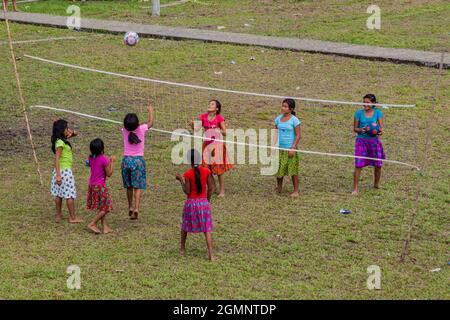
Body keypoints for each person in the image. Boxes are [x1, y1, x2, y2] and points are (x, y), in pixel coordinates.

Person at [176, 149, 217, 261]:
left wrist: (181, 180)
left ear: (189, 160)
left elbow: (187, 191)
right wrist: (207, 200)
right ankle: (211, 254)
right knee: (207, 229)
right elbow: (212, 188)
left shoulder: (187, 173)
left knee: (185, 226)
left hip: (191, 204)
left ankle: (182, 249)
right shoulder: (206, 171)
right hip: (203, 203)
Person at [121, 105, 154, 219]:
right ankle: (136, 208)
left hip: (126, 161)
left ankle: (130, 206)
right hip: (138, 161)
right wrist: (150, 111)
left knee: (129, 186)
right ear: (138, 124)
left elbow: (128, 126)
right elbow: (150, 123)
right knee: (137, 187)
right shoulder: (142, 129)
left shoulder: (124, 130)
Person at [195, 99, 233, 197]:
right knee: (206, 168)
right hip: (206, 146)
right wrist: (192, 125)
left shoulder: (219, 118)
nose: (209, 105)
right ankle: (214, 187)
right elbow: (197, 128)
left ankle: (222, 191)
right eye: (209, 103)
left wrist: (218, 130)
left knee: (219, 170)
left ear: (216, 109)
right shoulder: (203, 117)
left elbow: (225, 132)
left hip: (217, 146)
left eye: (212, 104)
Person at [352, 94, 385, 194]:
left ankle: (376, 184)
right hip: (361, 141)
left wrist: (379, 131)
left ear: (373, 103)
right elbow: (355, 129)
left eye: (367, 103)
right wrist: (361, 130)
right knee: (358, 165)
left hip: (374, 142)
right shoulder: (358, 113)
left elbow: (382, 129)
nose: (365, 104)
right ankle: (355, 188)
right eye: (364, 102)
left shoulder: (378, 113)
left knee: (378, 165)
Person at [50, 119, 82, 223]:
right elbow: (57, 158)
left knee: (59, 194)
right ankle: (73, 217)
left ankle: (58, 216)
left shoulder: (60, 140)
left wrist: (72, 133)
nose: (68, 129)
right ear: (62, 130)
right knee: (70, 195)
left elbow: (74, 134)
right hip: (65, 172)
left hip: (59, 171)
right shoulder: (60, 143)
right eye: (66, 128)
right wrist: (58, 175)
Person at [86, 138, 115, 234]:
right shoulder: (104, 159)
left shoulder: (90, 158)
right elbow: (109, 174)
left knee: (101, 206)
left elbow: (89, 163)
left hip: (92, 185)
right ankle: (93, 223)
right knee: (106, 207)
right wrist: (112, 162)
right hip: (100, 187)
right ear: (102, 148)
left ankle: (105, 227)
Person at [274, 98, 301, 197]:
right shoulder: (278, 119)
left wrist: (293, 147)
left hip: (290, 149)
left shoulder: (295, 120)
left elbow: (298, 135)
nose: (283, 108)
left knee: (293, 170)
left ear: (291, 109)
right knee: (279, 169)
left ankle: (296, 191)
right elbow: (275, 132)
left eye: (285, 106)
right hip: (280, 149)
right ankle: (279, 188)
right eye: (283, 106)